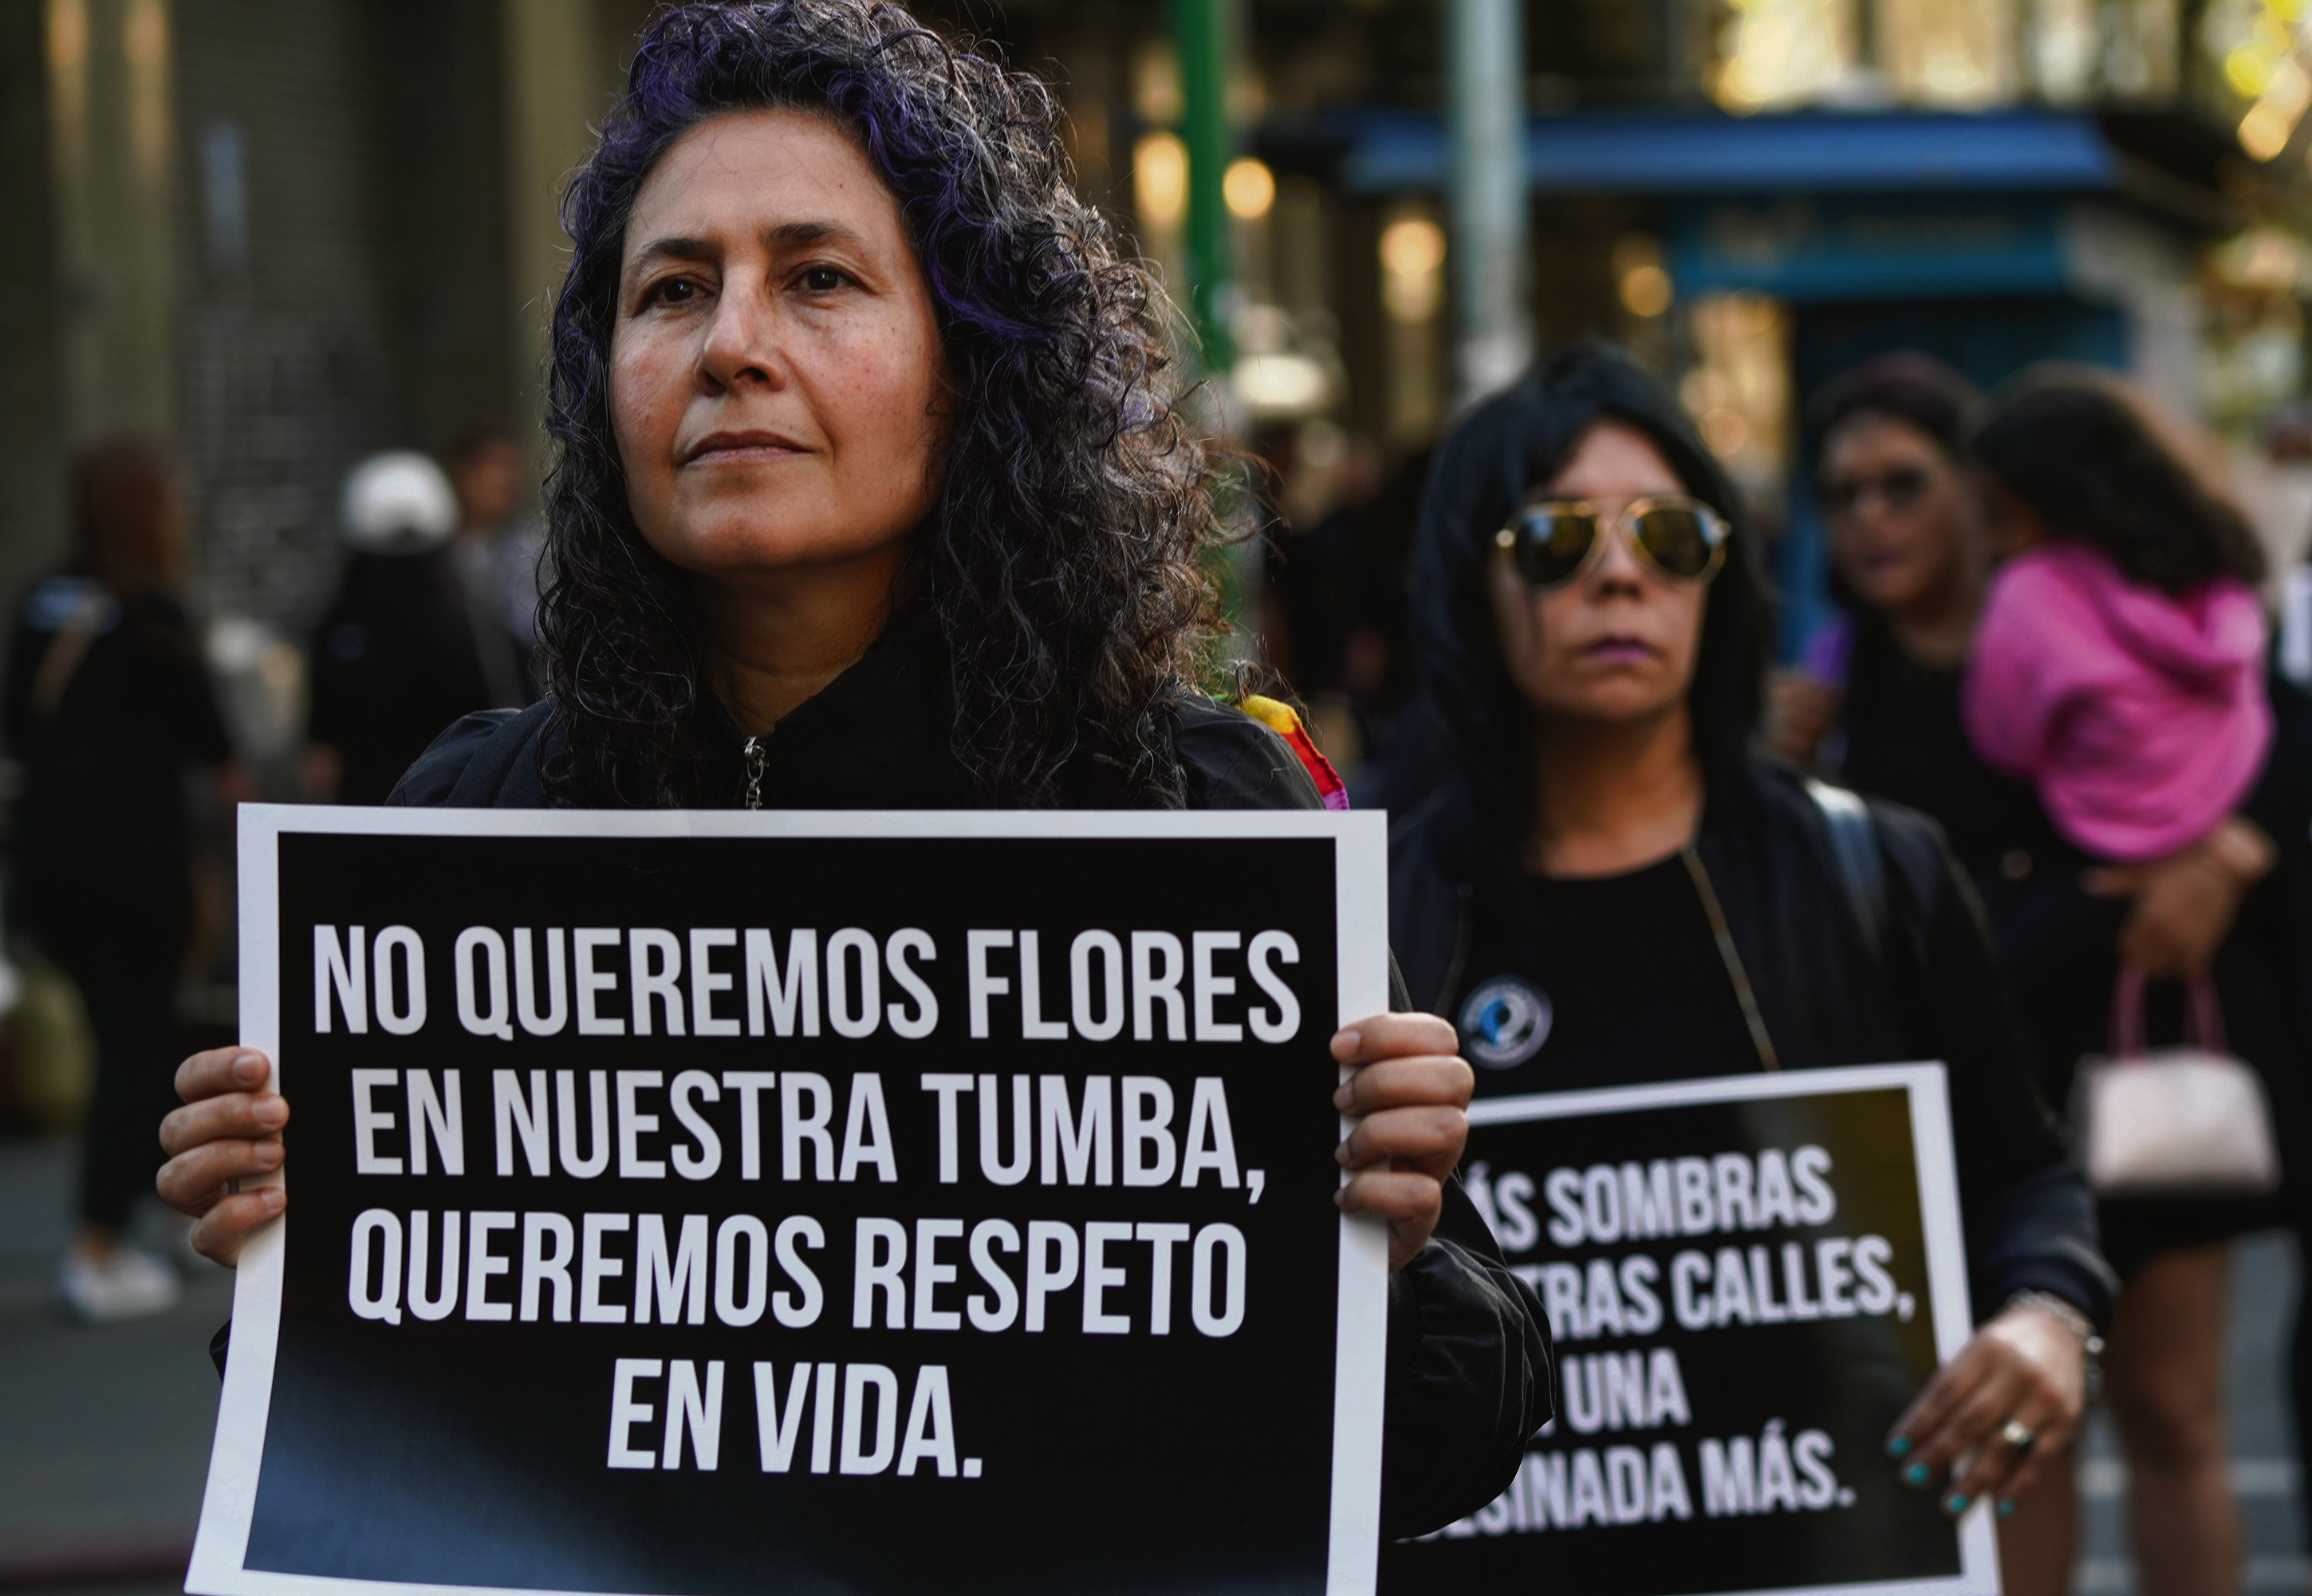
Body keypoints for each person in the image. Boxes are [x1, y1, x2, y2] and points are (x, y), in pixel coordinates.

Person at [152, 0, 1547, 1540]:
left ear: (973, 372)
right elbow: (362, 1463)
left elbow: (1433, 1447)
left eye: (819, 279)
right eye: (672, 290)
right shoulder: (474, 827)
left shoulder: (1199, 823)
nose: (734, 345)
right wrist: (295, 1254)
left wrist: (1395, 1250)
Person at [1384, 341, 2114, 1594]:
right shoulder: (1378, 909)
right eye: (1558, 541)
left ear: (1721, 576)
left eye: (1669, 538)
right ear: (1471, 580)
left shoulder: (1873, 870)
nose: (1620, 575)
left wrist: (2047, 1317)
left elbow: (2024, 1170)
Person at [1793, 355, 2299, 1596]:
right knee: (2013, 1436)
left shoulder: (2097, 608)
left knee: (2175, 1415)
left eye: (1902, 484)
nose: (1870, 517)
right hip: (1959, 1100)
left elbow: (2278, 733)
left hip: (2129, 1074)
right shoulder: (1830, 678)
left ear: (1979, 496)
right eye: (1840, 493)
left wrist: (2228, 853)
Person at [1964, 372, 2298, 1596]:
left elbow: (2003, 739)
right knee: (2183, 1416)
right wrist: (2218, 846)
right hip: (2195, 1020)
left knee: (2024, 1424)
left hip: (2054, 1035)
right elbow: (2277, 736)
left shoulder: (2029, 599)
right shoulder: (2218, 598)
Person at [2, 434, 238, 1322]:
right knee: (136, 1047)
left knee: (121, 1037)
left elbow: (14, 724)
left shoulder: (39, 603)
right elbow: (215, 747)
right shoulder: (153, 615)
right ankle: (94, 1246)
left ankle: (132, 1218)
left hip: (52, 863)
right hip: (137, 866)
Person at [302, 451, 495, 804]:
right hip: (448, 809)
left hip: (374, 817)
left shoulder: (340, 632)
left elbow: (321, 762)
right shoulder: (465, 623)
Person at [445, 430, 545, 706]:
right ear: (462, 473)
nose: (504, 477)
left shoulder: (534, 545)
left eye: (510, 465)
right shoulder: (441, 556)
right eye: (490, 464)